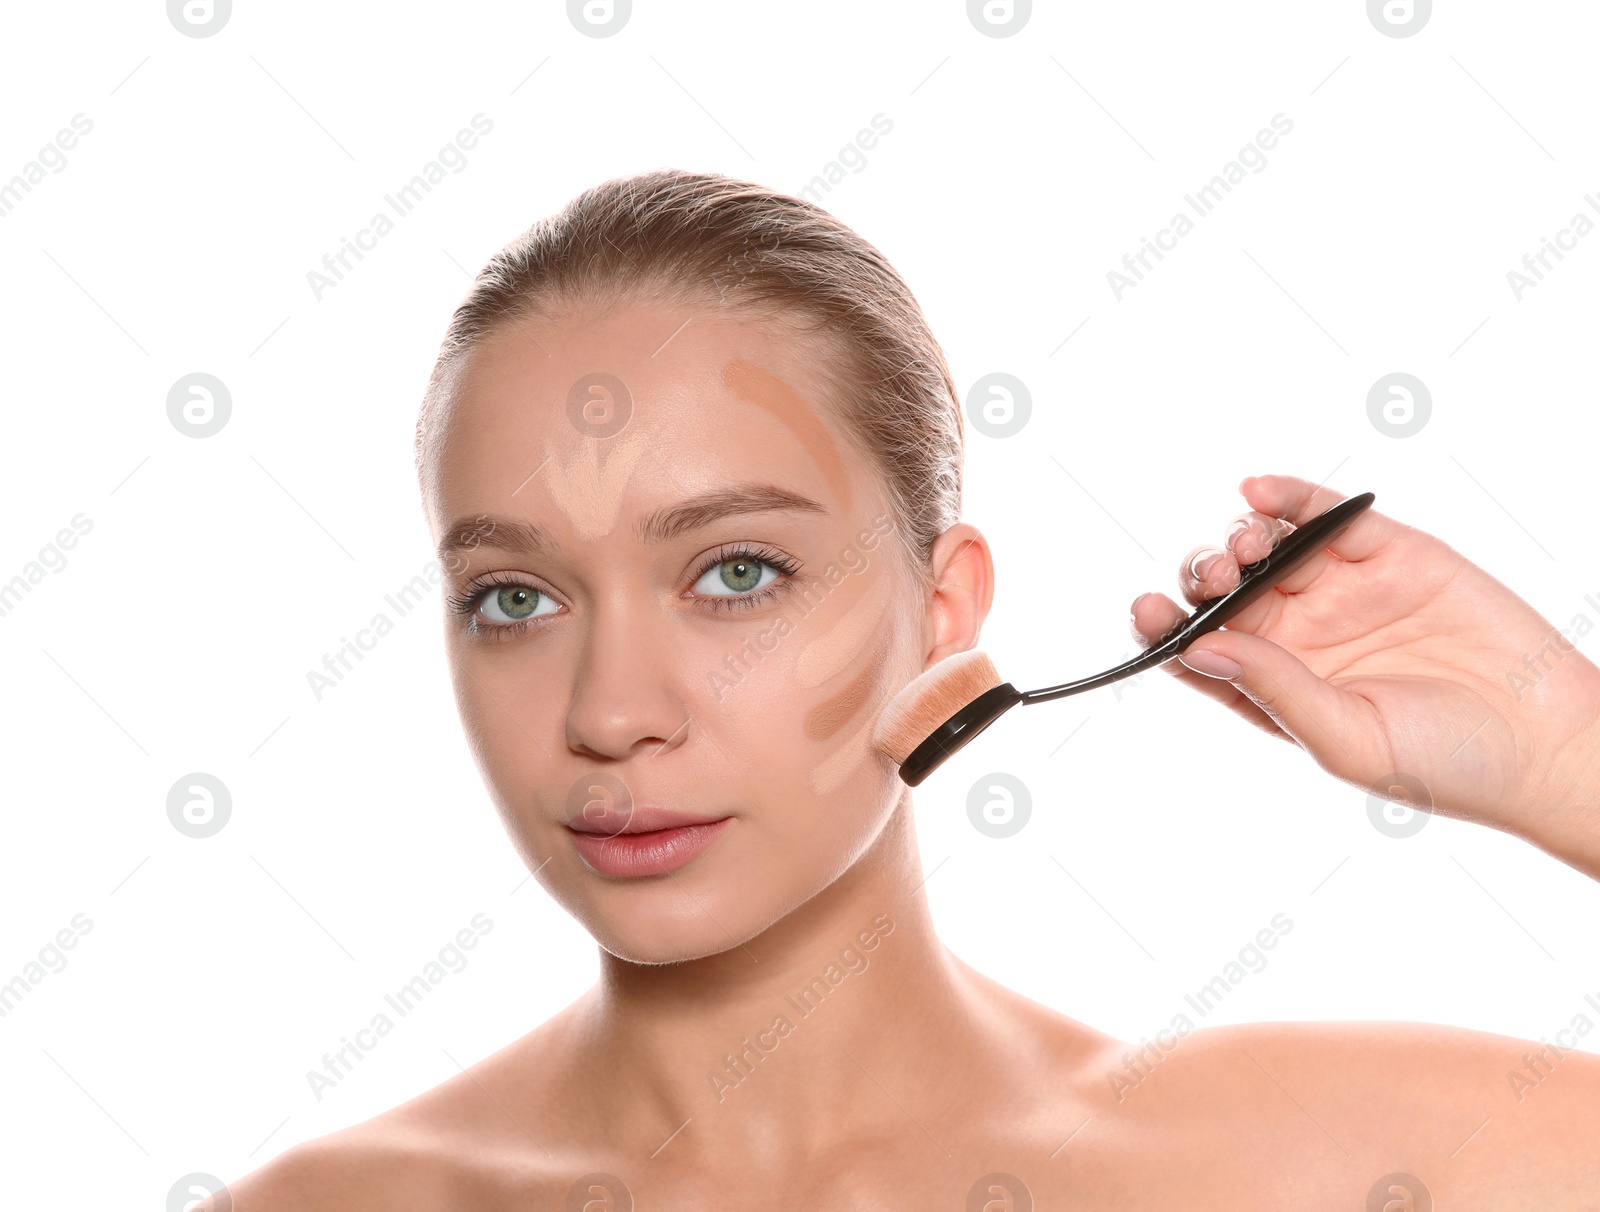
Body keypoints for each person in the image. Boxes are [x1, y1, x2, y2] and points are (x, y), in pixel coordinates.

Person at [209, 169, 1600, 1208]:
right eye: (514, 598)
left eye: (736, 574)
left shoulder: (1304, 1166)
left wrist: (1566, 751)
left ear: (944, 618)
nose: (609, 711)